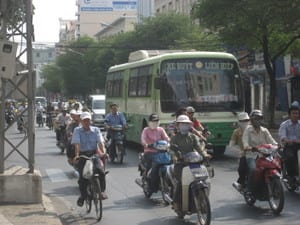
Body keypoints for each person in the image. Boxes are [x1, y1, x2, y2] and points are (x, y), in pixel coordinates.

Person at [170, 115, 211, 211]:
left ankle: (201, 200)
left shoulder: (193, 137)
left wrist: (205, 155)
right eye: (182, 124)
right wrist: (175, 157)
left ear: (189, 125)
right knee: (182, 182)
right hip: (181, 164)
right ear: (178, 126)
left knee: (203, 179)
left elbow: (199, 148)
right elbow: (171, 150)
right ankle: (176, 202)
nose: (184, 126)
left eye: (186, 124)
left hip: (193, 162)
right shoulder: (175, 138)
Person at [71, 111, 108, 207]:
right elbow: (77, 144)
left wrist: (103, 153)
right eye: (84, 121)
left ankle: (102, 191)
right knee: (82, 179)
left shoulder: (96, 130)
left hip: (94, 154)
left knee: (101, 171)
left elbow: (100, 142)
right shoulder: (77, 130)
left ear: (91, 121)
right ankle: (83, 196)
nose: (87, 122)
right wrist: (77, 155)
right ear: (81, 121)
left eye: (88, 120)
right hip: (83, 155)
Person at [242, 109, 277, 192]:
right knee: (253, 170)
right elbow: (245, 141)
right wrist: (248, 147)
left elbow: (272, 141)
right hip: (252, 156)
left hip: (265, 156)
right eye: (256, 119)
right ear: (252, 120)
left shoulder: (264, 130)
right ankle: (249, 189)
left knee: (274, 166)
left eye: (259, 118)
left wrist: (277, 145)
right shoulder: (248, 130)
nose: (258, 121)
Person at [141, 113, 170, 193]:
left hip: (161, 152)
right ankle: (150, 183)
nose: (154, 122)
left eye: (156, 121)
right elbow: (143, 139)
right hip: (149, 152)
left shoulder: (161, 129)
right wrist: (146, 144)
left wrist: (170, 142)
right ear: (149, 122)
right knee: (153, 166)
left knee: (170, 163)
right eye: (153, 121)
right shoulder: (146, 130)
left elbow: (166, 138)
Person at [278, 103, 300, 181]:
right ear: (289, 114)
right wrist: (288, 140)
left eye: (297, 113)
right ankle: (292, 175)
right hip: (289, 146)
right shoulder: (284, 125)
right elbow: (283, 137)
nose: (295, 115)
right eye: (293, 113)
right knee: (290, 157)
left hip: (299, 145)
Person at [230, 112, 250, 191]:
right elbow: (231, 144)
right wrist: (239, 151)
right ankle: (241, 183)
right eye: (243, 121)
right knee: (241, 169)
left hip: (256, 152)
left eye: (246, 120)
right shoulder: (236, 132)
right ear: (239, 122)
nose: (245, 122)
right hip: (244, 154)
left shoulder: (253, 129)